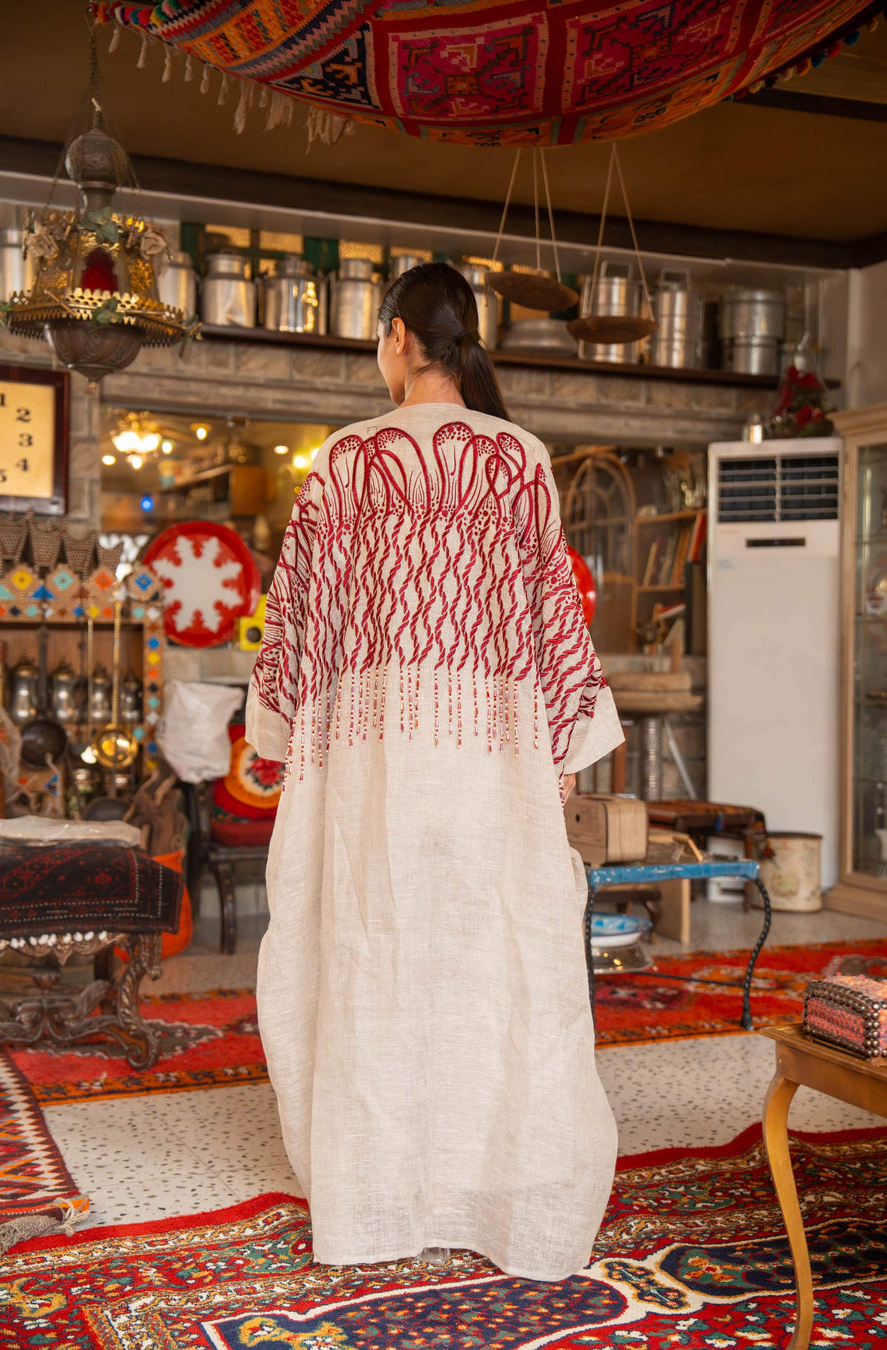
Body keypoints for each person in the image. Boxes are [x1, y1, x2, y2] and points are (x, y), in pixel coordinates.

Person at [246, 262, 623, 1283]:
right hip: (490, 764)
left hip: (373, 770)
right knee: (495, 961)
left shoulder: (345, 461)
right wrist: (566, 757)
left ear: (405, 337)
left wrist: (274, 739)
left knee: (373, 956)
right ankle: (501, 1188)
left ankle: (378, 1192)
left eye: (378, 336)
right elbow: (558, 629)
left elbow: (295, 622)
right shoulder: (522, 460)